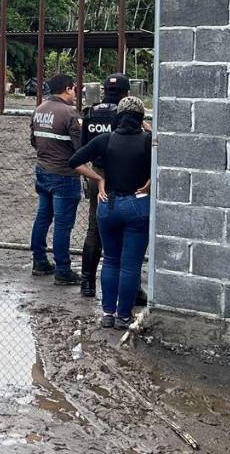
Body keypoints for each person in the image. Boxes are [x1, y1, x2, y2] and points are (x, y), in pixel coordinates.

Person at [69, 97, 152, 329]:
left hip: (109, 205)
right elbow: (167, 156)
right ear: (140, 118)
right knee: (130, 266)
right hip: (137, 204)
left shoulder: (106, 140)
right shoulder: (148, 141)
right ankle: (124, 316)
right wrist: (151, 182)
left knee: (111, 261)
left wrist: (99, 179)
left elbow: (74, 160)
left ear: (118, 116)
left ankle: (107, 313)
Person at [78, 73, 131, 298]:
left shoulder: (90, 113)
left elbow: (83, 147)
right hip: (124, 174)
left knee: (94, 229)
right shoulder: (125, 115)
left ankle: (87, 283)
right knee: (126, 227)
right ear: (125, 93)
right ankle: (126, 285)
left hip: (96, 173)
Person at [30, 74, 83, 285]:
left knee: (43, 217)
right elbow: (81, 149)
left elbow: (33, 140)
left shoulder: (39, 109)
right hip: (65, 175)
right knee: (63, 224)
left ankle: (39, 261)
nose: (75, 94)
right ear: (68, 89)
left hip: (43, 170)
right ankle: (63, 269)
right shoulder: (69, 113)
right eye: (74, 90)